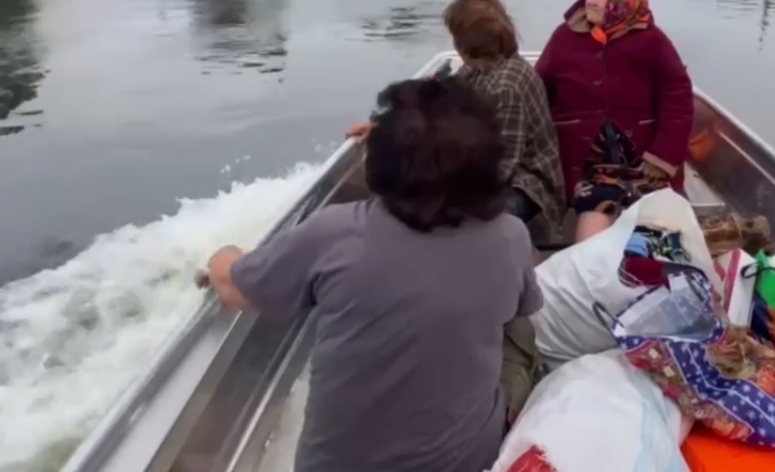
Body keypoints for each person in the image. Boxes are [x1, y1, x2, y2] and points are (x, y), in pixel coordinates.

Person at [199, 78, 542, 472]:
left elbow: (235, 290)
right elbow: (521, 307)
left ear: (383, 162)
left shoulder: (335, 233)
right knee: (518, 334)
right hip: (467, 461)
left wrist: (220, 256)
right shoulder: (511, 236)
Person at [536, 0, 693, 225]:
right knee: (592, 232)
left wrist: (662, 157)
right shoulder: (564, 37)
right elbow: (537, 91)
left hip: (644, 164)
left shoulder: (653, 42)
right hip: (588, 166)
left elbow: (678, 99)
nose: (591, 1)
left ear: (624, 2)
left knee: (653, 229)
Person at [441, 0, 565, 241]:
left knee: (465, 220)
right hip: (490, 168)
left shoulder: (507, 87)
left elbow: (501, 166)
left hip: (528, 185)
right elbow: (443, 103)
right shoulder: (478, 69)